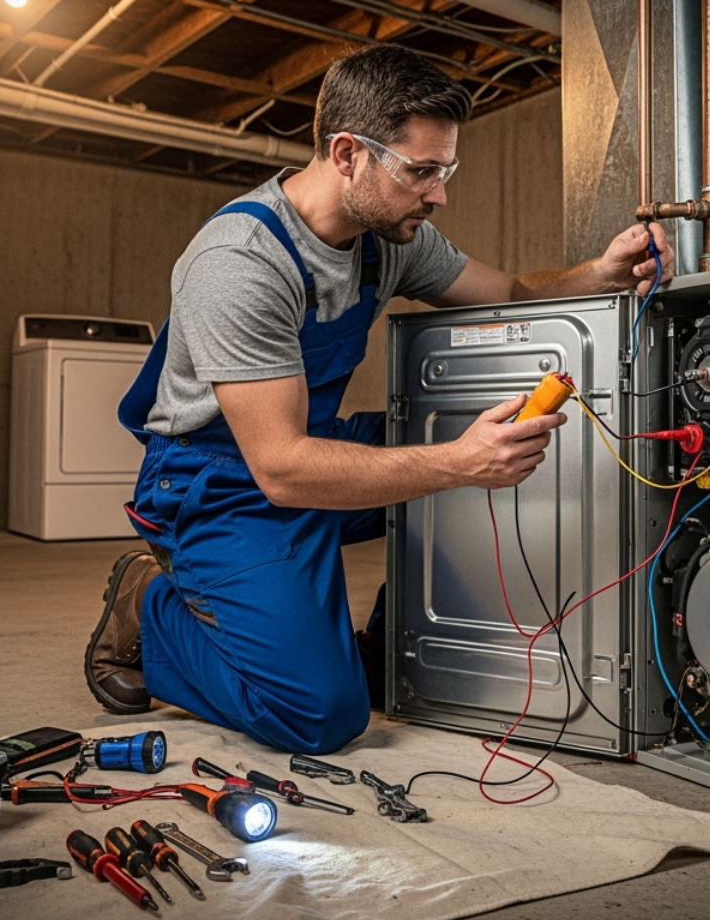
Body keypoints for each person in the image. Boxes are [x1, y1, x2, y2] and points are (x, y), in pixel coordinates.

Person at [86, 43, 673, 755]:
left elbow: (511, 293)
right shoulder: (239, 262)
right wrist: (457, 464)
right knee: (318, 714)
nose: (439, 194)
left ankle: (382, 647)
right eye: (421, 172)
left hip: (309, 444)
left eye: (445, 170)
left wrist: (601, 273)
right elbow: (281, 469)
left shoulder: (386, 239)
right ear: (346, 154)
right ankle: (145, 606)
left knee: (489, 436)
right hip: (223, 483)